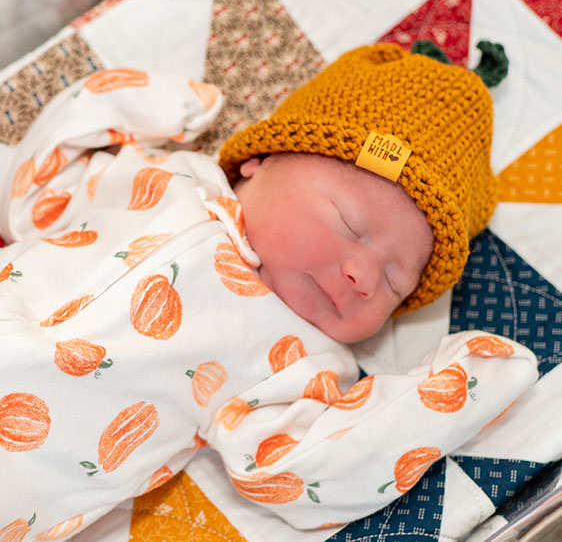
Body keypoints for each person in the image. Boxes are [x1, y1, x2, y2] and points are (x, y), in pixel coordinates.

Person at [0, 43, 537, 539]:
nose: (365, 276)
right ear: (259, 162)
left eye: (397, 282)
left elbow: (304, 474)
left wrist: (451, 395)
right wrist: (126, 100)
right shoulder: (167, 180)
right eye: (349, 223)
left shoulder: (299, 363)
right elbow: (33, 195)